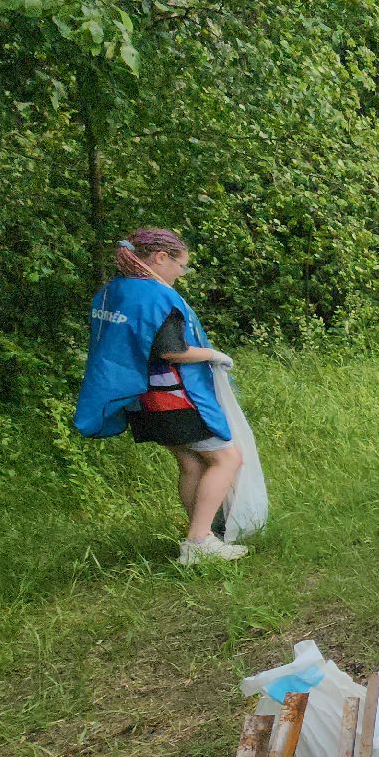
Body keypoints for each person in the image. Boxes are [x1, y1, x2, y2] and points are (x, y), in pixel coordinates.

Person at [73, 228, 249, 564]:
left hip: (143, 402)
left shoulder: (115, 291)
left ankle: (207, 533)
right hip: (174, 398)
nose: (180, 275)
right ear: (160, 258)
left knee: (191, 463)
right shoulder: (154, 296)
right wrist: (214, 354)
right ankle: (198, 542)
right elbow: (172, 351)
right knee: (227, 459)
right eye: (180, 267)